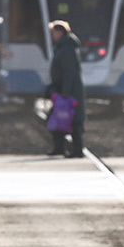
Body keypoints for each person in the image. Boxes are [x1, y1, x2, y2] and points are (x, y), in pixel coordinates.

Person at [46, 20, 86, 158]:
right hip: (65, 90)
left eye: (54, 32)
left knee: (72, 121)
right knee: (60, 118)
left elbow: (69, 72)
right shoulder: (65, 47)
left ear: (60, 32)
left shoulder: (67, 48)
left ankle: (77, 150)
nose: (52, 35)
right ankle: (60, 147)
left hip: (68, 92)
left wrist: (65, 93)